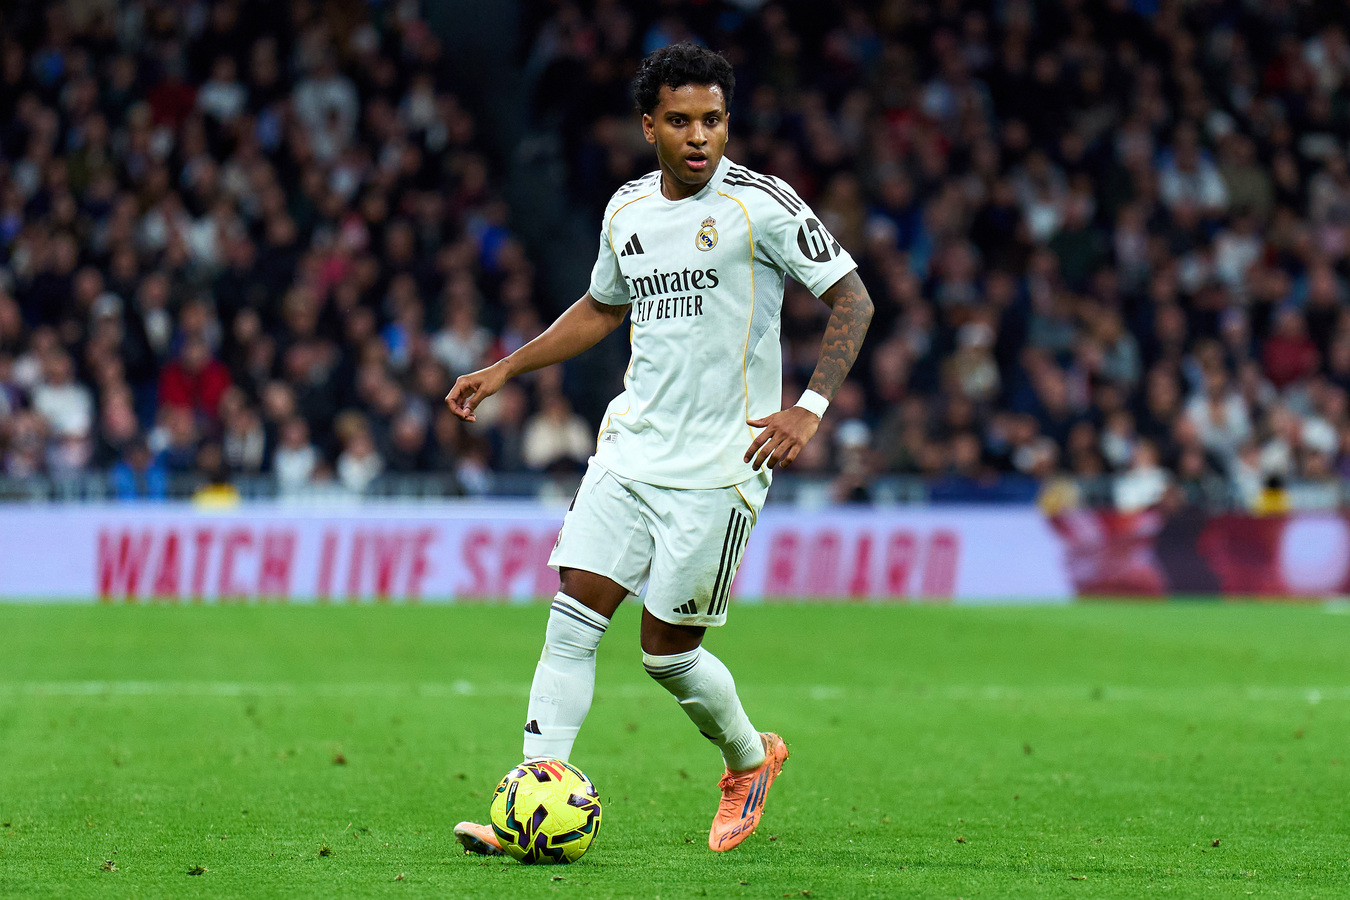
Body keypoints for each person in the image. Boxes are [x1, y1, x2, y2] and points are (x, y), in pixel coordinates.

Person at [449, 44, 874, 854]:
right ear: (649, 126)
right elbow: (602, 308)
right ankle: (530, 806)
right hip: (631, 449)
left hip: (723, 466)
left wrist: (809, 407)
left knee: (665, 656)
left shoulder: (764, 205)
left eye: (712, 119)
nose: (699, 136)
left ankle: (751, 761)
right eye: (680, 120)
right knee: (572, 620)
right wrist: (508, 366)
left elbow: (852, 297)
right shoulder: (627, 210)